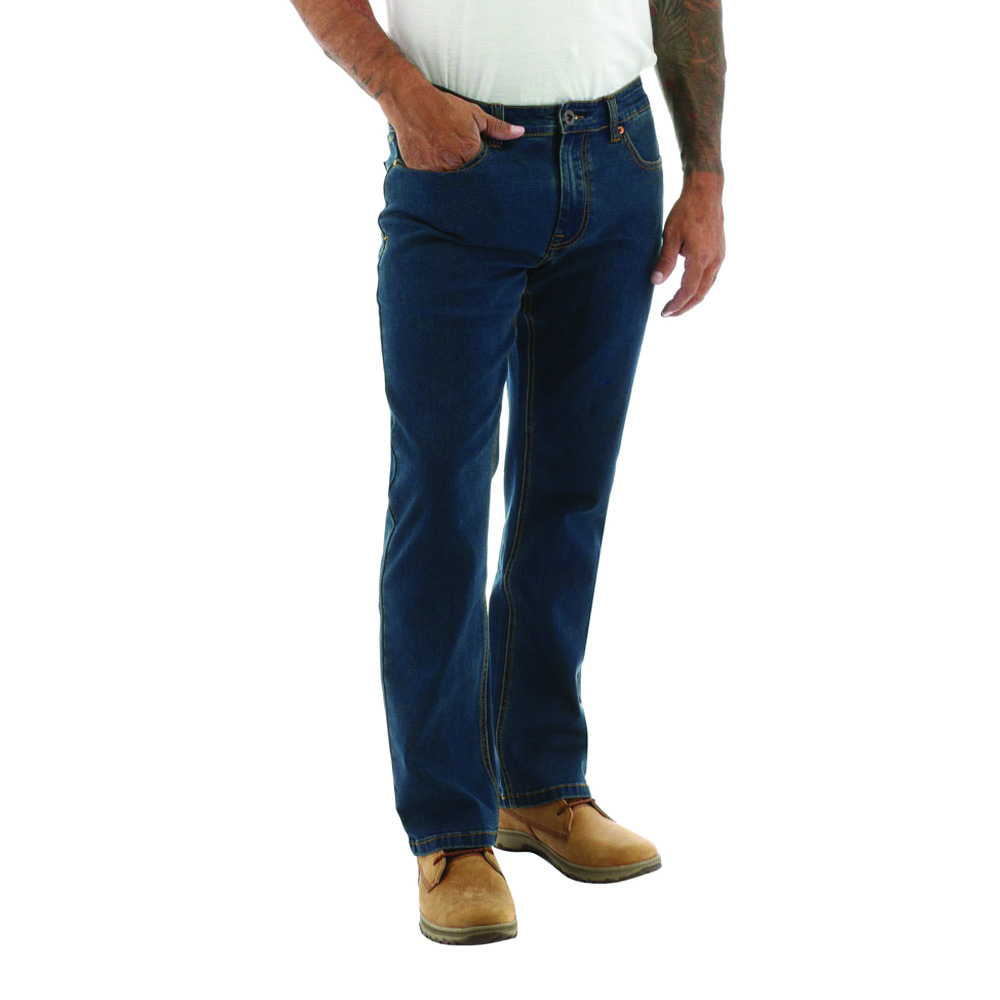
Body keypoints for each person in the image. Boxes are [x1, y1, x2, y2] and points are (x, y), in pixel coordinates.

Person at [289, 0, 726, 945]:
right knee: (442, 502)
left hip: (618, 157)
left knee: (569, 495)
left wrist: (707, 174)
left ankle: (539, 785)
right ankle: (451, 832)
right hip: (455, 165)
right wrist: (401, 94)